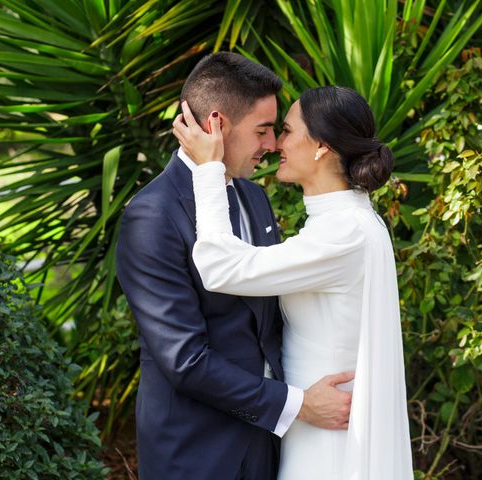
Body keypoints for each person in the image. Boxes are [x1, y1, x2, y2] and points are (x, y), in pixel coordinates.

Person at [115, 52, 354, 480]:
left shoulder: (252, 197)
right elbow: (184, 359)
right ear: (216, 126)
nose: (272, 145)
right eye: (262, 130)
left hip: (266, 446)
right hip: (194, 451)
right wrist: (295, 404)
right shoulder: (151, 216)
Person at [172, 85, 414, 479]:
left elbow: (219, 268)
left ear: (321, 146)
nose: (274, 143)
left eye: (285, 130)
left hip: (330, 445)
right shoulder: (345, 222)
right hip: (314, 427)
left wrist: (208, 170)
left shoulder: (344, 232)